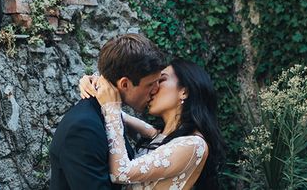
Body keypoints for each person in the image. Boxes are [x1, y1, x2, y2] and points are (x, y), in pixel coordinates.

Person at [81, 59, 223, 190]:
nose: (154, 88)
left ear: (184, 92)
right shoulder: (161, 135)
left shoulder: (194, 145)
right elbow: (121, 116)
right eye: (152, 82)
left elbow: (121, 173)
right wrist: (96, 84)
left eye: (161, 80)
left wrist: (111, 106)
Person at [49, 33, 167, 190]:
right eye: (151, 84)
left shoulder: (108, 114)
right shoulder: (84, 128)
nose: (156, 90)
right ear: (124, 84)